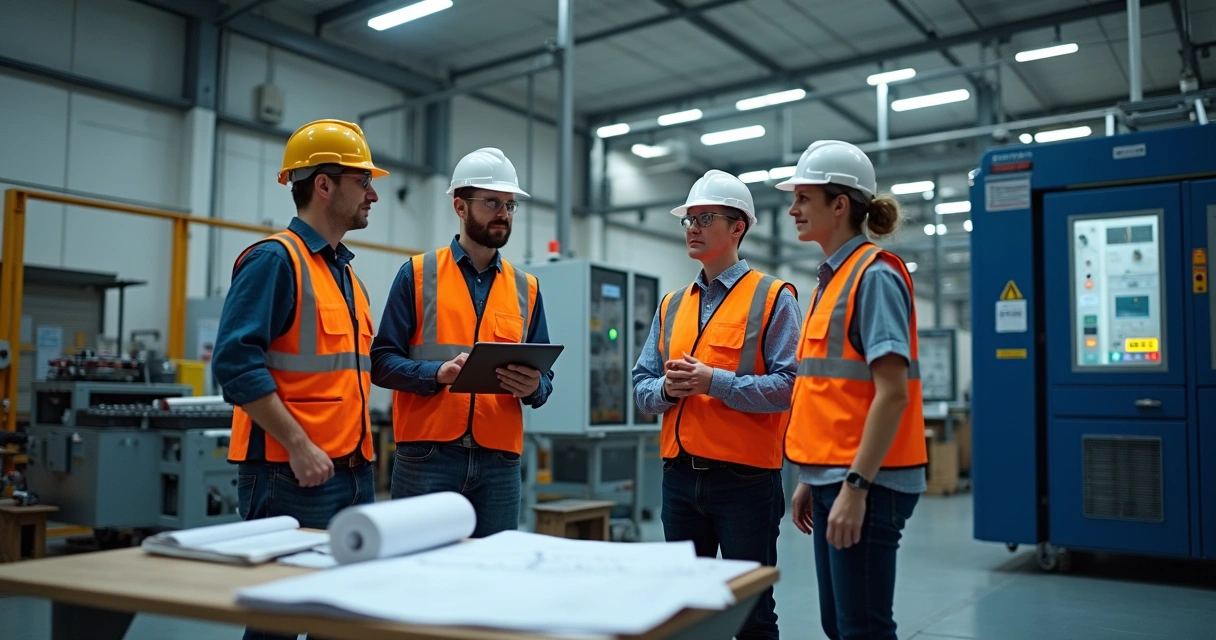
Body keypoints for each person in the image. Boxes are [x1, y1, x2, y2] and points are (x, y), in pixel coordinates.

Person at [212, 118, 385, 640]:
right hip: (292, 475)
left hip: (352, 472)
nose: (373, 194)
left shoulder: (346, 275)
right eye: (362, 181)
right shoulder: (274, 260)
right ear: (324, 184)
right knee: (278, 624)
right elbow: (235, 365)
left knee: (346, 618)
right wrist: (299, 447)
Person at [632, 169, 801, 640]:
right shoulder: (670, 305)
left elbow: (789, 386)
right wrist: (667, 392)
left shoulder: (773, 297)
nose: (693, 229)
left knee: (750, 612)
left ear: (738, 228)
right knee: (688, 610)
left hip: (745, 483)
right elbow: (641, 385)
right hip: (679, 480)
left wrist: (714, 382)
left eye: (705, 218)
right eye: (688, 220)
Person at [779, 140, 927, 640]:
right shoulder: (831, 280)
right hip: (832, 477)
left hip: (870, 481)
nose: (793, 209)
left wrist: (856, 487)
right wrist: (810, 478)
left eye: (804, 198)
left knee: (862, 627)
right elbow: (829, 393)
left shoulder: (875, 276)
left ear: (839, 205)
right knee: (839, 624)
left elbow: (892, 393)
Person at [370, 147, 553, 538]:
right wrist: (436, 373)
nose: (503, 212)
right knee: (415, 570)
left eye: (509, 204)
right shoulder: (418, 275)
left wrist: (536, 386)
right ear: (459, 206)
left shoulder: (527, 288)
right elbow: (381, 361)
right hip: (428, 455)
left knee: (492, 576)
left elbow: (545, 375)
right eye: (491, 202)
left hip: (499, 462)